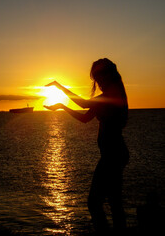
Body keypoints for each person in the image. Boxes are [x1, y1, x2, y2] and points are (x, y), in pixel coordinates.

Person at [44, 58, 129, 234]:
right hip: (113, 154)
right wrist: (62, 106)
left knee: (95, 202)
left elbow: (84, 104)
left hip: (113, 154)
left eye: (99, 76)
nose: (98, 81)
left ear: (109, 75)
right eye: (96, 77)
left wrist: (60, 87)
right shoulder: (108, 96)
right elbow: (85, 118)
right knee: (113, 202)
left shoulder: (113, 94)